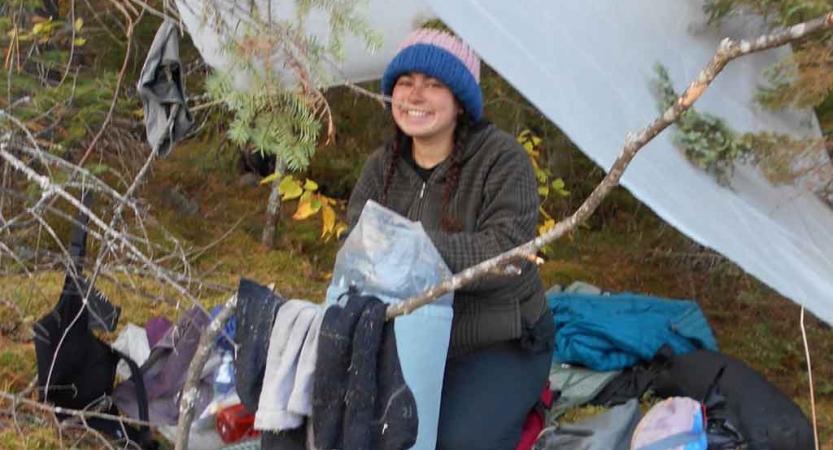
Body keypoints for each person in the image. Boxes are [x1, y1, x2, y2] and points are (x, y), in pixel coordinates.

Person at [345, 28, 554, 450]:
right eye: (406, 82)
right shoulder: (382, 166)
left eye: (434, 84)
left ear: (460, 101)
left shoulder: (501, 160)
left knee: (452, 443)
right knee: (361, 432)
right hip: (409, 335)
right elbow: (357, 246)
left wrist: (410, 245)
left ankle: (529, 397)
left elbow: (508, 256)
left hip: (495, 339)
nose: (415, 95)